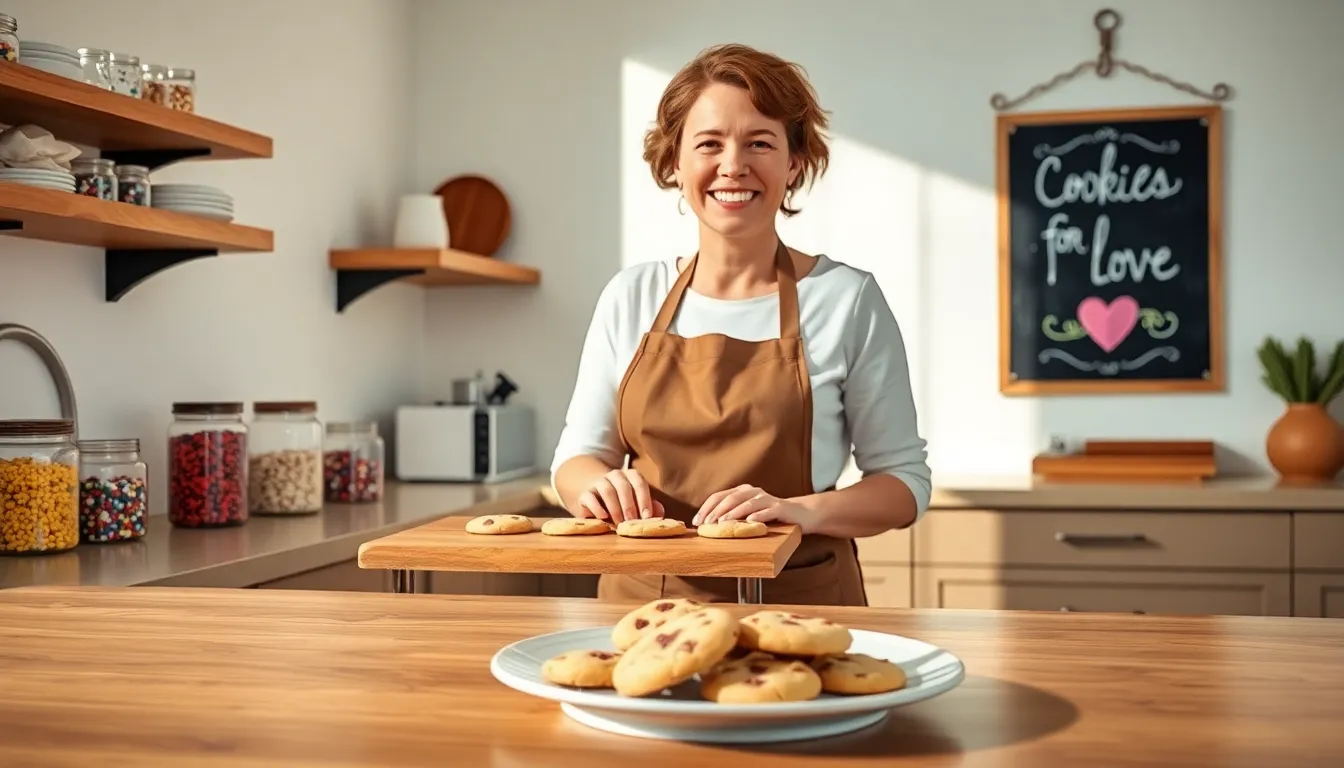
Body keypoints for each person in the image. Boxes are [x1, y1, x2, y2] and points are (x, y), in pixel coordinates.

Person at [550, 43, 931, 606]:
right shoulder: (630, 296)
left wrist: (800, 511)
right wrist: (598, 485)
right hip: (641, 608)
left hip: (801, 605)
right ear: (675, 163)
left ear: (794, 162)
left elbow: (904, 485)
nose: (733, 166)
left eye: (760, 143)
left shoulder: (846, 300)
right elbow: (576, 460)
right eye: (709, 144)